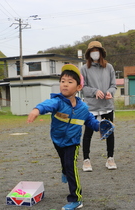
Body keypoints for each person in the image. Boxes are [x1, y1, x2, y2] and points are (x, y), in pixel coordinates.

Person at [27, 64, 100, 210]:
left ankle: (76, 199)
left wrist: (102, 127)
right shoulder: (58, 102)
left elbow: (91, 121)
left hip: (72, 142)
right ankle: (64, 171)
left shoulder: (83, 108)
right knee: (64, 162)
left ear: (79, 87)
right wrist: (37, 110)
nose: (65, 84)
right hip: (57, 139)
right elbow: (47, 104)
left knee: (71, 167)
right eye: (62, 81)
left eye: (70, 82)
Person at [81, 41, 117, 171]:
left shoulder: (109, 67)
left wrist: (110, 93)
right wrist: (95, 91)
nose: (95, 53)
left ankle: (110, 158)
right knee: (88, 133)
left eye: (97, 50)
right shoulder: (84, 69)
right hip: (91, 107)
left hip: (107, 105)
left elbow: (114, 85)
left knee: (109, 132)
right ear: (89, 53)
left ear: (101, 53)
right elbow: (82, 87)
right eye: (92, 51)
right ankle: (86, 160)